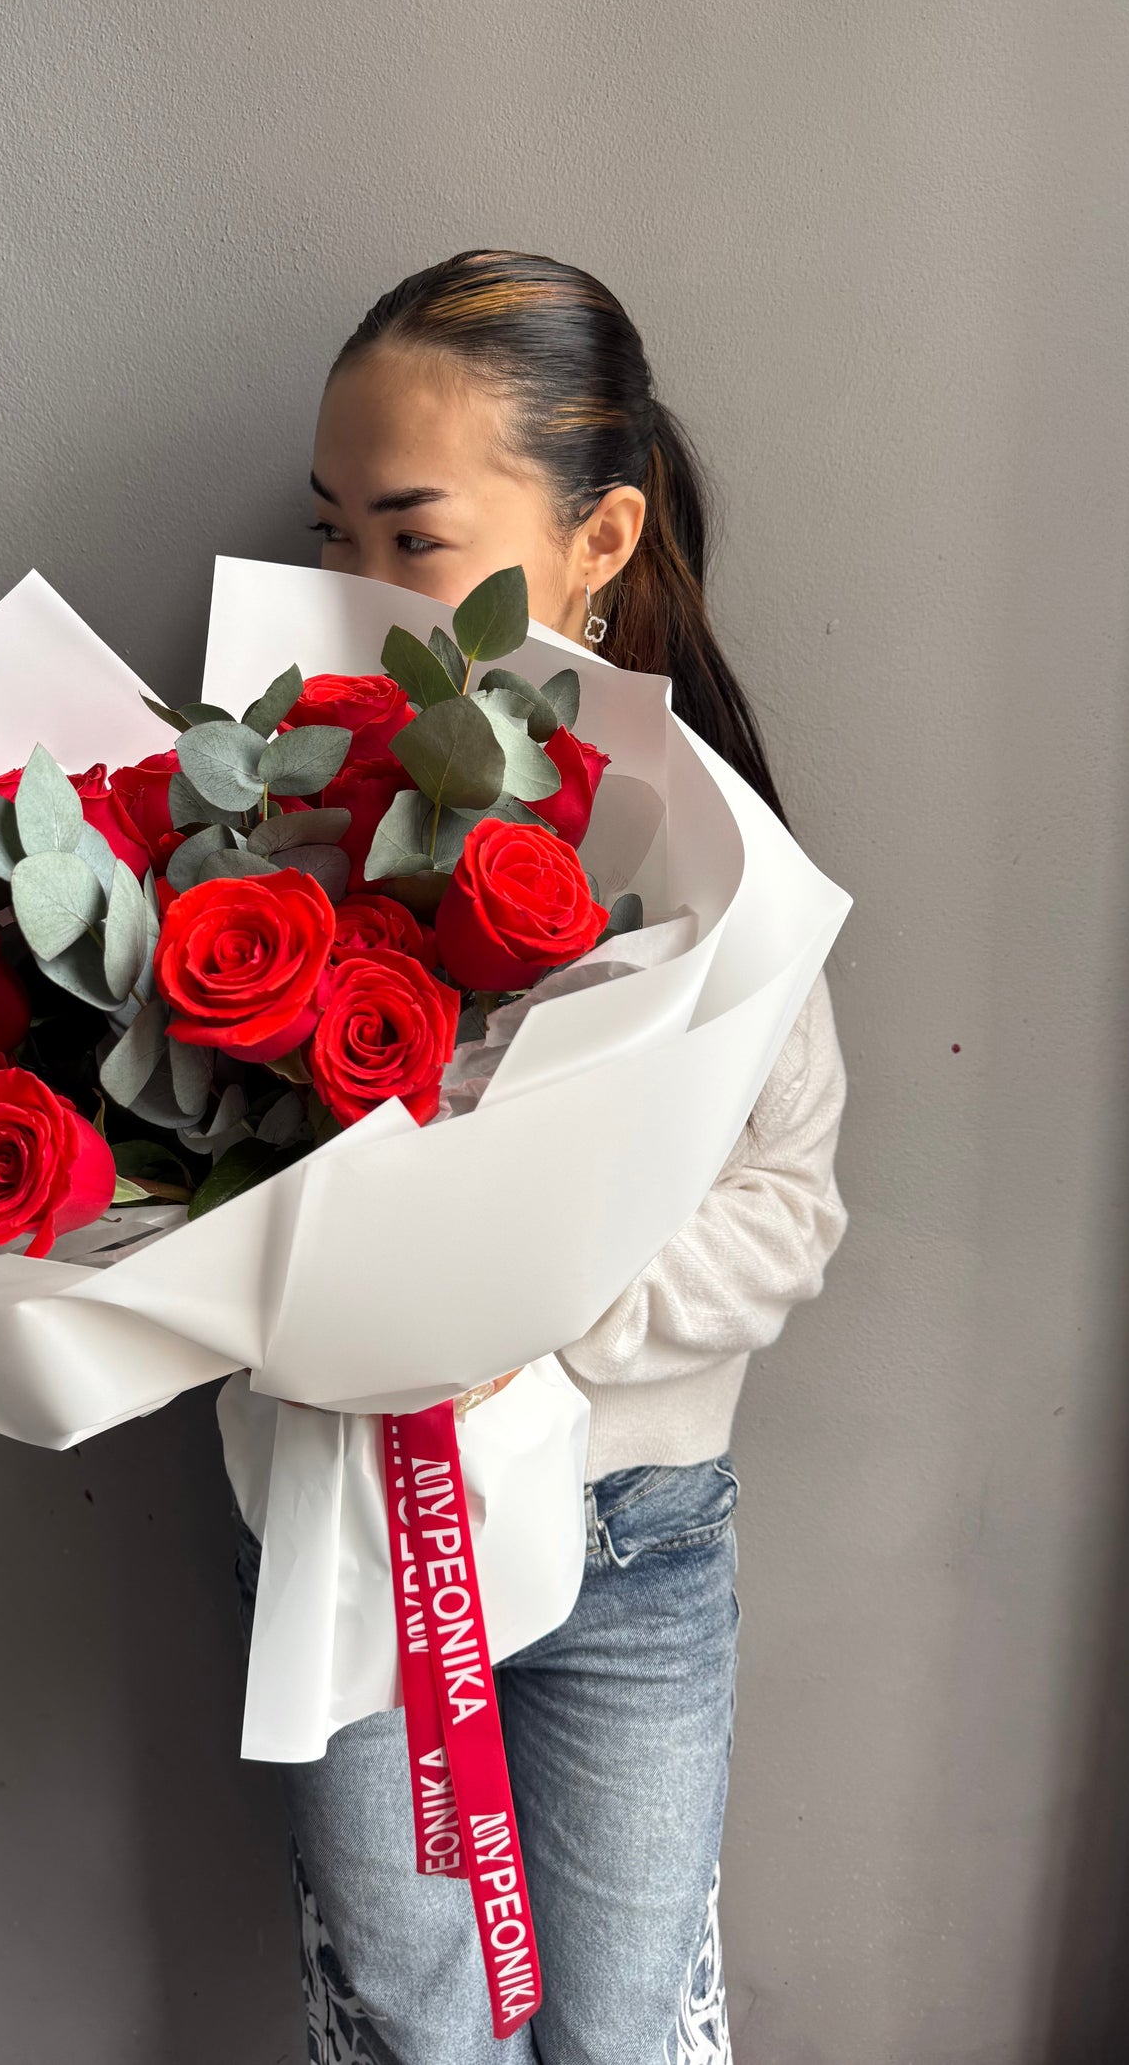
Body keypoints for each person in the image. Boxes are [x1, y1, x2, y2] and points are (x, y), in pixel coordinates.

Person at [232, 248, 849, 2065]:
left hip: (640, 1545)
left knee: (629, 2019)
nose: (350, 591)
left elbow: (789, 1209)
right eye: (326, 532)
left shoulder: (711, 860)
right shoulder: (247, 835)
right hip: (355, 1528)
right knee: (416, 2012)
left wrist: (536, 1317)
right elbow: (205, 1200)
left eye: (410, 537)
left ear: (599, 537)